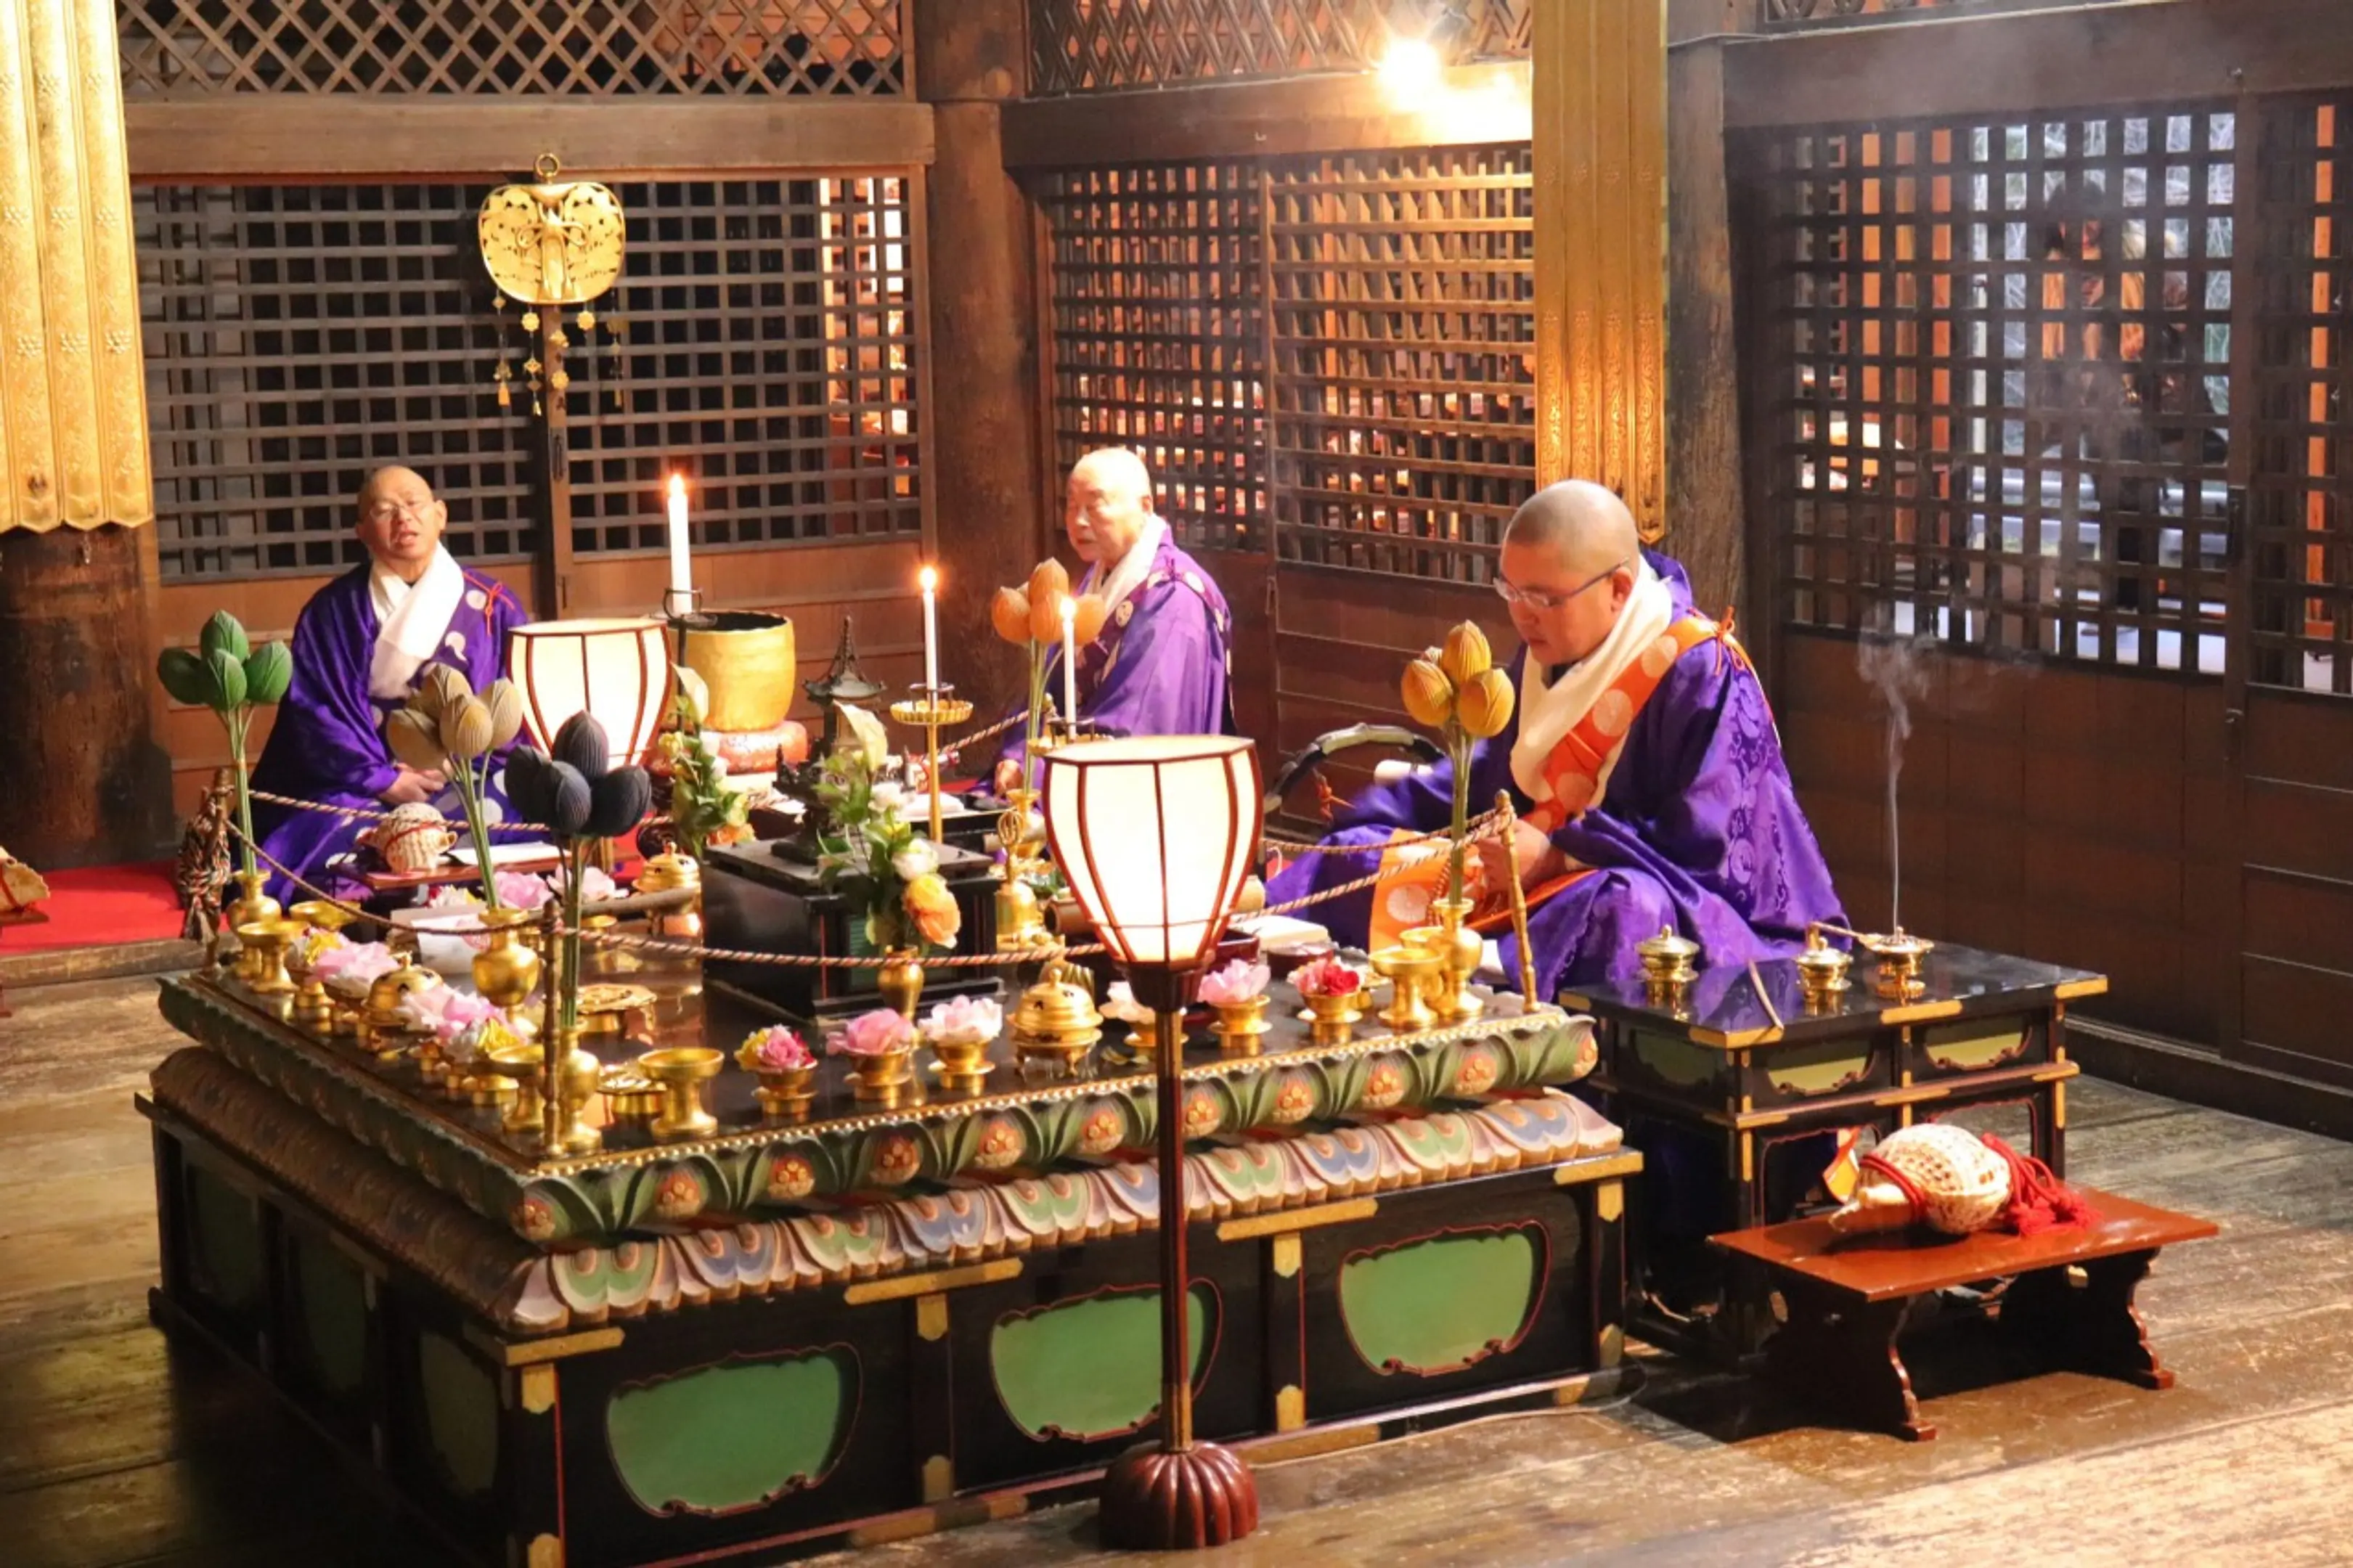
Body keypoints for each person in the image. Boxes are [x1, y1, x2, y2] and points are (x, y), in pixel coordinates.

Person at [1268, 479, 1843, 1000]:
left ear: (1618, 588)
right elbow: (1500, 776)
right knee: (1369, 852)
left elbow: (1714, 851)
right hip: (1526, 868)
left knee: (1625, 911)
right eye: (1510, 592)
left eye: (1542, 599)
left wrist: (1560, 855)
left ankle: (1503, 994)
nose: (1522, 616)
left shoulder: (1704, 673)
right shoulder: (1549, 651)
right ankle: (1444, 976)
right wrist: (1388, 810)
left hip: (1670, 900)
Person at [248, 467, 529, 902]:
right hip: (367, 781)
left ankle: (483, 896)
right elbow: (317, 710)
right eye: (384, 510)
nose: (403, 518)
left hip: (467, 773)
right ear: (362, 531)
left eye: (414, 504)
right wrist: (381, 778)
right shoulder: (334, 612)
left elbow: (517, 698)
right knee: (335, 832)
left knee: (521, 806)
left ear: (440, 515)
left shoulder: (493, 605)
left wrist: (460, 760)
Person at [992, 448, 1234, 793]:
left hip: (1143, 795)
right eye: (1072, 506)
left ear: (1145, 507)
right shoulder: (1100, 578)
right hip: (1068, 773)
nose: (1078, 520)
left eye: (1094, 506)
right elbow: (1048, 688)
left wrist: (1039, 773)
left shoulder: (1175, 598)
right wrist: (1018, 756)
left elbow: (1139, 723)